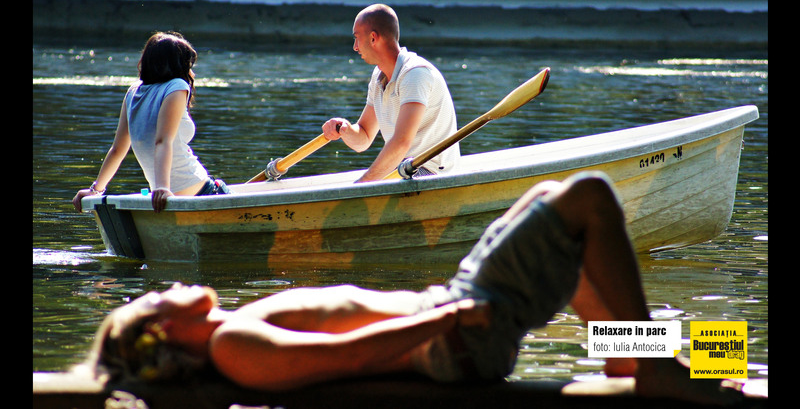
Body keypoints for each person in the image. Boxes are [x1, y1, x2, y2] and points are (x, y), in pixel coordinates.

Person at [74, 171, 742, 405]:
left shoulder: (232, 337)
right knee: (589, 197)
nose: (174, 285)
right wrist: (448, 317)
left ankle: (641, 356)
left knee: (548, 199)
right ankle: (656, 369)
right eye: (155, 299)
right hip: (454, 335)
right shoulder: (237, 347)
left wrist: (447, 307)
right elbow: (353, 356)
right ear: (159, 333)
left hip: (449, 311)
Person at [72, 31, 229, 214]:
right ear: (176, 64)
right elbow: (162, 141)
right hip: (199, 191)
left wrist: (96, 189)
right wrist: (163, 188)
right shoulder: (177, 86)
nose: (191, 71)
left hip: (170, 195)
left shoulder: (133, 91)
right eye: (188, 64)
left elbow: (118, 149)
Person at [322, 4, 460, 182]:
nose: (355, 47)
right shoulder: (379, 76)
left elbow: (402, 143)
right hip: (403, 169)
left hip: (432, 174)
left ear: (373, 38)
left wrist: (362, 185)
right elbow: (363, 137)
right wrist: (344, 129)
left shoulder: (415, 73)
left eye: (357, 38)